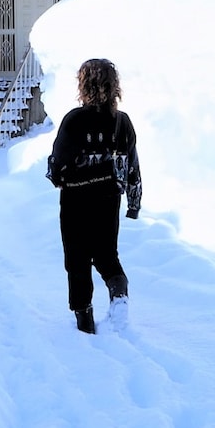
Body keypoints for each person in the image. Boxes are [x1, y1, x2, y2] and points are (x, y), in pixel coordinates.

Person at [47, 58, 143, 334]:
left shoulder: (74, 120)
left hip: (77, 199)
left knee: (77, 259)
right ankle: (119, 296)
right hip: (109, 198)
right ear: (114, 86)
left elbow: (58, 165)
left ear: (84, 85)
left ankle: (85, 323)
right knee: (106, 254)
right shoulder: (122, 122)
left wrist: (57, 176)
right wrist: (134, 203)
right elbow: (133, 165)